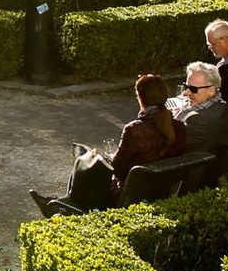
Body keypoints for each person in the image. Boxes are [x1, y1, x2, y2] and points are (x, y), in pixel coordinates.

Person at [29, 74, 187, 216]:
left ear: (140, 98)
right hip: (158, 189)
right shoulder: (179, 127)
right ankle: (58, 202)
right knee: (89, 162)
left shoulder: (135, 129)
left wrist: (106, 158)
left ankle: (60, 205)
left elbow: (117, 168)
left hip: (129, 194)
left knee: (87, 164)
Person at [170, 61, 228, 152]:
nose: (187, 92)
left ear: (211, 90)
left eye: (193, 89)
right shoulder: (218, 105)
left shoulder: (200, 120)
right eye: (186, 87)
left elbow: (167, 139)